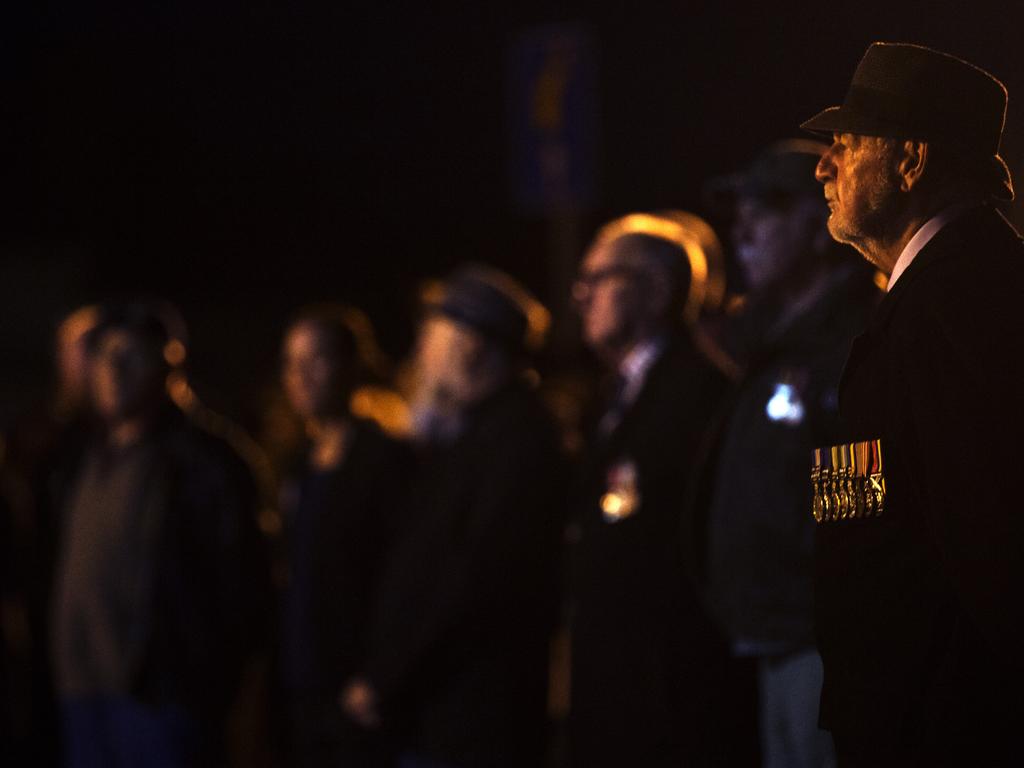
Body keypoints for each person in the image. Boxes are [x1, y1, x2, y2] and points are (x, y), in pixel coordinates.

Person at [801, 42, 1024, 765]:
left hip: (941, 728)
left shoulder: (959, 306)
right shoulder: (938, 297)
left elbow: (992, 543)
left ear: (911, 162)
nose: (822, 167)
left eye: (845, 145)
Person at [341, 265, 564, 768]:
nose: (421, 352)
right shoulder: (468, 437)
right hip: (442, 713)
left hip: (474, 720)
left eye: (432, 335)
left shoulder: (516, 441)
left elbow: (467, 580)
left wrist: (386, 677)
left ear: (470, 345)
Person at [703, 140, 878, 768]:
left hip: (820, 644)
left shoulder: (851, 344)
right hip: (774, 633)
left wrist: (814, 597)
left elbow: (858, 508)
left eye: (767, 211)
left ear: (818, 224)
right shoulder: (772, 348)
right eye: (739, 213)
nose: (742, 230)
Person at [37, 300, 269, 767]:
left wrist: (208, 682)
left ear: (169, 364)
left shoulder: (206, 463)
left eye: (132, 355)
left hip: (163, 698)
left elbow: (243, 585)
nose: (115, 370)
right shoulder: (77, 459)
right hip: (82, 693)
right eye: (105, 356)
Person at [567, 223, 736, 767]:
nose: (581, 293)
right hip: (618, 675)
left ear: (657, 290)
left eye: (601, 277)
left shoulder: (698, 394)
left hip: (666, 681)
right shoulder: (612, 393)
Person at [276, 304, 411, 767]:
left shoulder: (385, 461)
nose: (301, 376)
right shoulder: (299, 461)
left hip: (354, 680)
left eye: (316, 360)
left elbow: (402, 576)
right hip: (301, 677)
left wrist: (378, 673)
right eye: (292, 363)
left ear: (352, 367)